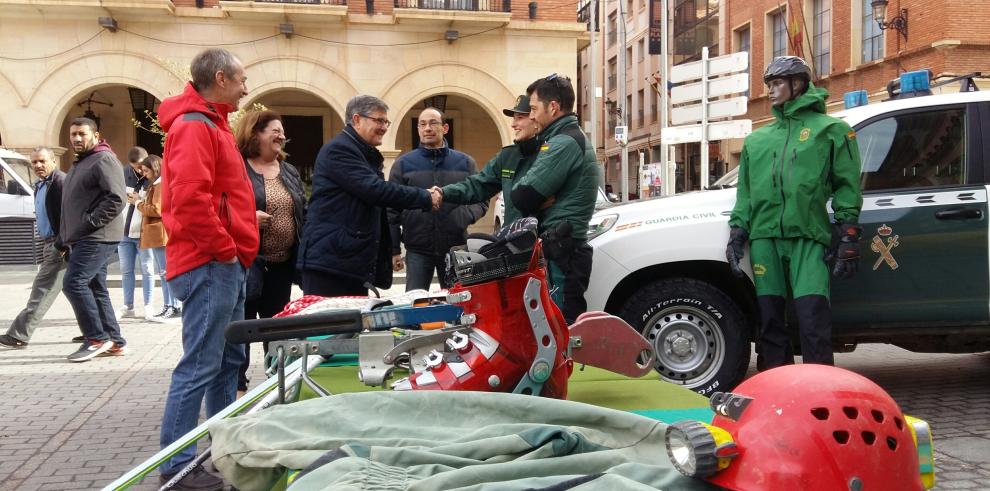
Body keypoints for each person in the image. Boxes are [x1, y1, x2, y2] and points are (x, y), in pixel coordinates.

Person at [157, 47, 257, 491]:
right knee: (201, 363)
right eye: (241, 80)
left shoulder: (208, 124)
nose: (246, 89)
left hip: (219, 262)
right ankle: (177, 467)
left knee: (223, 362)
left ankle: (219, 450)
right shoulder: (196, 126)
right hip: (210, 263)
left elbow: (211, 195)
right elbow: (191, 200)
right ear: (220, 78)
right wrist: (224, 248)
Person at [726, 56, 863, 370]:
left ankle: (819, 388)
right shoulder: (757, 140)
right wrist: (738, 232)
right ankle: (777, 386)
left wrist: (849, 233)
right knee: (770, 320)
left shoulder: (833, 130)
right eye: (769, 85)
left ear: (798, 84)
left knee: (812, 318)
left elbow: (847, 185)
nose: (771, 92)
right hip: (764, 240)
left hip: (807, 237)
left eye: (777, 84)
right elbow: (745, 192)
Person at [298, 95, 434, 297]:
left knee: (351, 326)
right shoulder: (340, 150)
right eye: (378, 120)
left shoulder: (362, 153)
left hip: (347, 262)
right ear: (356, 119)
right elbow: (375, 190)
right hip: (330, 264)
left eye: (385, 121)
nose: (384, 127)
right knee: (328, 327)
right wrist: (425, 196)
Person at [233, 109, 306, 394]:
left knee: (276, 328)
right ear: (255, 134)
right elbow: (222, 207)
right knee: (243, 326)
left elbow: (302, 211)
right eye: (273, 130)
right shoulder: (239, 167)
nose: (281, 136)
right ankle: (236, 386)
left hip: (282, 264)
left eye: (282, 131)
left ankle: (275, 384)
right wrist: (247, 218)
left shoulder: (287, 170)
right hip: (248, 261)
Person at [388, 107, 487, 291]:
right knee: (416, 304)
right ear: (418, 129)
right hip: (417, 249)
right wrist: (393, 250)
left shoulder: (466, 163)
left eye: (433, 123)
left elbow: (481, 199)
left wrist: (462, 217)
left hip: (456, 248)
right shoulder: (403, 164)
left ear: (445, 128)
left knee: (459, 304)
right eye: (422, 124)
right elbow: (391, 210)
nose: (427, 128)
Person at [434, 95, 542, 258]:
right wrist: (443, 193)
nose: (513, 124)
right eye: (513, 118)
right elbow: (478, 185)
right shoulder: (507, 156)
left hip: (543, 244)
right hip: (515, 245)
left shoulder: (551, 154)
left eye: (520, 118)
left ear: (535, 119)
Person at [60, 117, 127, 361]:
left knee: (74, 283)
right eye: (73, 134)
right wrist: (64, 238)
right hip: (84, 237)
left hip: (97, 236)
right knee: (94, 287)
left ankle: (96, 338)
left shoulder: (104, 159)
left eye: (82, 134)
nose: (77, 138)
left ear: (96, 136)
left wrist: (89, 223)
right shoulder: (83, 162)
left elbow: (116, 199)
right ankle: (115, 341)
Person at [0, 147, 67, 349]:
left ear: (53, 161)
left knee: (42, 288)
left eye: (42, 161)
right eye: (35, 162)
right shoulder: (40, 185)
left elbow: (69, 215)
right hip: (49, 242)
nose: (38, 165)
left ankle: (19, 334)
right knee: (76, 290)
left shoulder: (60, 183)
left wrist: (62, 244)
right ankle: (95, 331)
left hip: (59, 245)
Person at [134, 155, 180, 322]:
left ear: (155, 168)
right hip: (157, 233)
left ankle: (173, 305)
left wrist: (138, 203)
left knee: (166, 272)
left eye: (147, 171)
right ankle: (169, 305)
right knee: (163, 272)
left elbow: (157, 210)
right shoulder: (156, 184)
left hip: (160, 233)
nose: (145, 174)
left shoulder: (160, 185)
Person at [117, 146, 156, 320]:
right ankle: (128, 305)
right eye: (135, 167)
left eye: (141, 166)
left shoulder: (154, 178)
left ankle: (148, 305)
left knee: (147, 268)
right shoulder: (123, 173)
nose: (139, 170)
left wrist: (137, 201)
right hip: (124, 231)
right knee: (126, 269)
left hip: (143, 231)